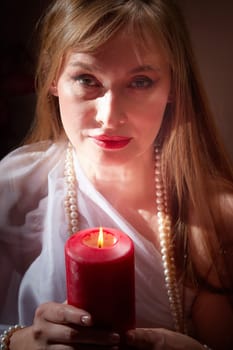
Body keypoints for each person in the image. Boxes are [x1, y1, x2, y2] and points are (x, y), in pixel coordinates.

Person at [0, 0, 233, 349]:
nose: (109, 117)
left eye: (140, 82)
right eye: (87, 79)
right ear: (52, 78)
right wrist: (19, 341)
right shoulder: (14, 189)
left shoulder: (214, 214)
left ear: (173, 86)